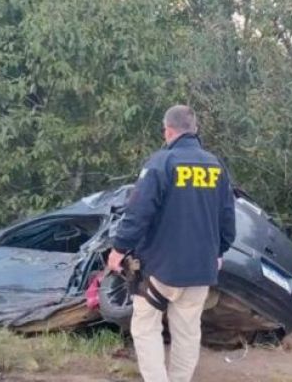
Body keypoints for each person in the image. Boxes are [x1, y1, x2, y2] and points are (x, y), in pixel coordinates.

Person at [106, 105, 236, 382]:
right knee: (188, 333)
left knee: (145, 327)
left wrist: (118, 250)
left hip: (159, 270)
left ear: (168, 131)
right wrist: (220, 251)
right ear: (195, 130)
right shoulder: (216, 166)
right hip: (200, 269)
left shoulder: (160, 164)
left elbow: (138, 213)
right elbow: (227, 217)